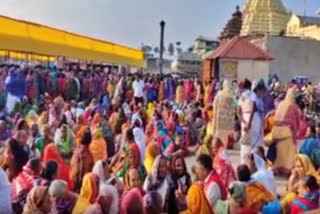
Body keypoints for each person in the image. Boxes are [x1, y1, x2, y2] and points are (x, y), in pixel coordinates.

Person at [266, 88, 300, 176]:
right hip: (288, 132)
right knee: (289, 152)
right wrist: (296, 133)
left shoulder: (281, 104)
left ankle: (277, 169)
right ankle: (287, 171)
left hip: (277, 131)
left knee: (279, 151)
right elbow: (295, 122)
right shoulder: (293, 106)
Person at [237, 79, 264, 164]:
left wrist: (243, 122)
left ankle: (244, 163)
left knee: (245, 142)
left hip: (244, 118)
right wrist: (249, 123)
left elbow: (238, 111)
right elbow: (253, 108)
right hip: (253, 119)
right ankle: (254, 163)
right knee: (255, 141)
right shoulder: (252, 94)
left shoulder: (242, 96)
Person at [212, 80, 235, 146]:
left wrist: (215, 113)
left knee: (219, 134)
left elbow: (215, 105)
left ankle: (219, 145)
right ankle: (226, 145)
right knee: (227, 135)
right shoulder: (232, 95)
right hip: (229, 121)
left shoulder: (219, 94)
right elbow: (235, 106)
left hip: (220, 119)